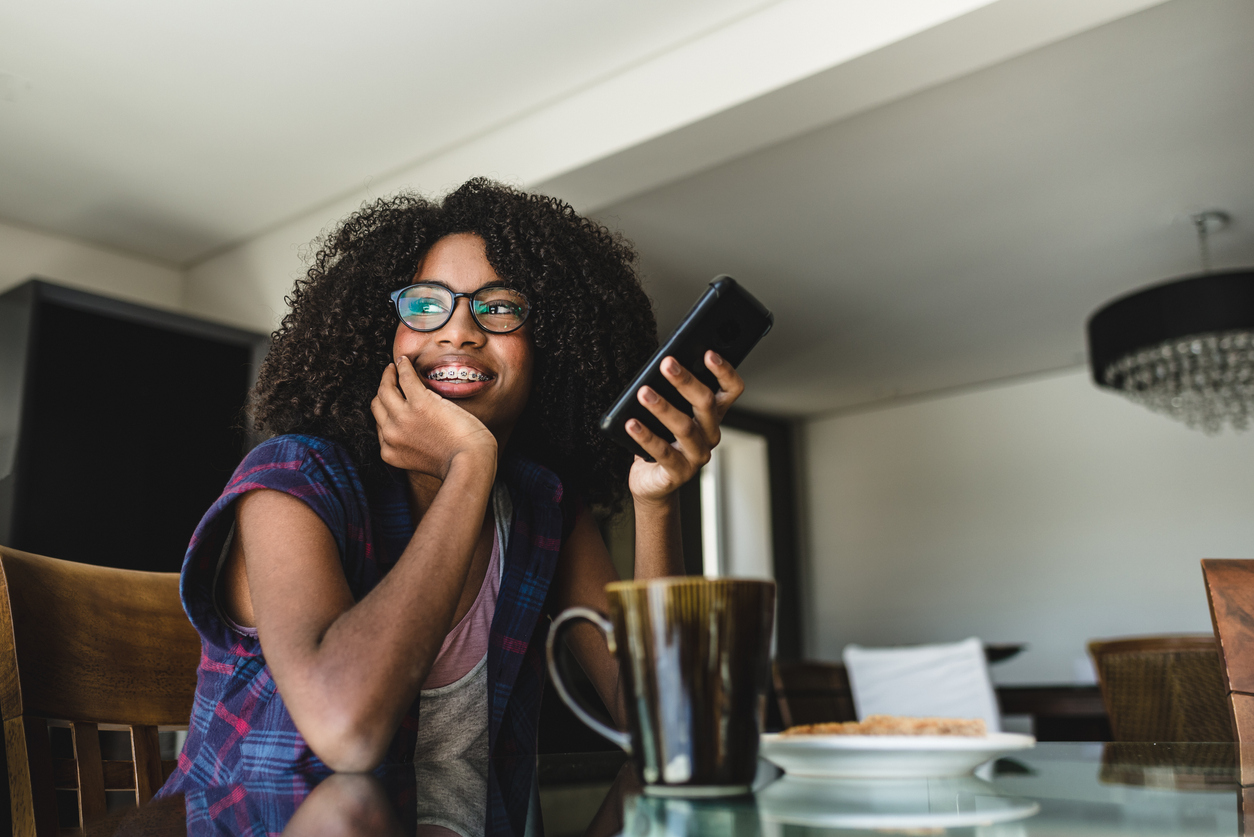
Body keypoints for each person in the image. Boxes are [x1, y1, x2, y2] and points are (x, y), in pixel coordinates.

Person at [157, 179, 745, 835]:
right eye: (424, 304)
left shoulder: (542, 507)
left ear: (547, 346)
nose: (459, 330)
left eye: (499, 309)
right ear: (382, 334)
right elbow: (346, 731)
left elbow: (671, 735)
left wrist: (656, 503)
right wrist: (469, 464)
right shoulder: (292, 478)